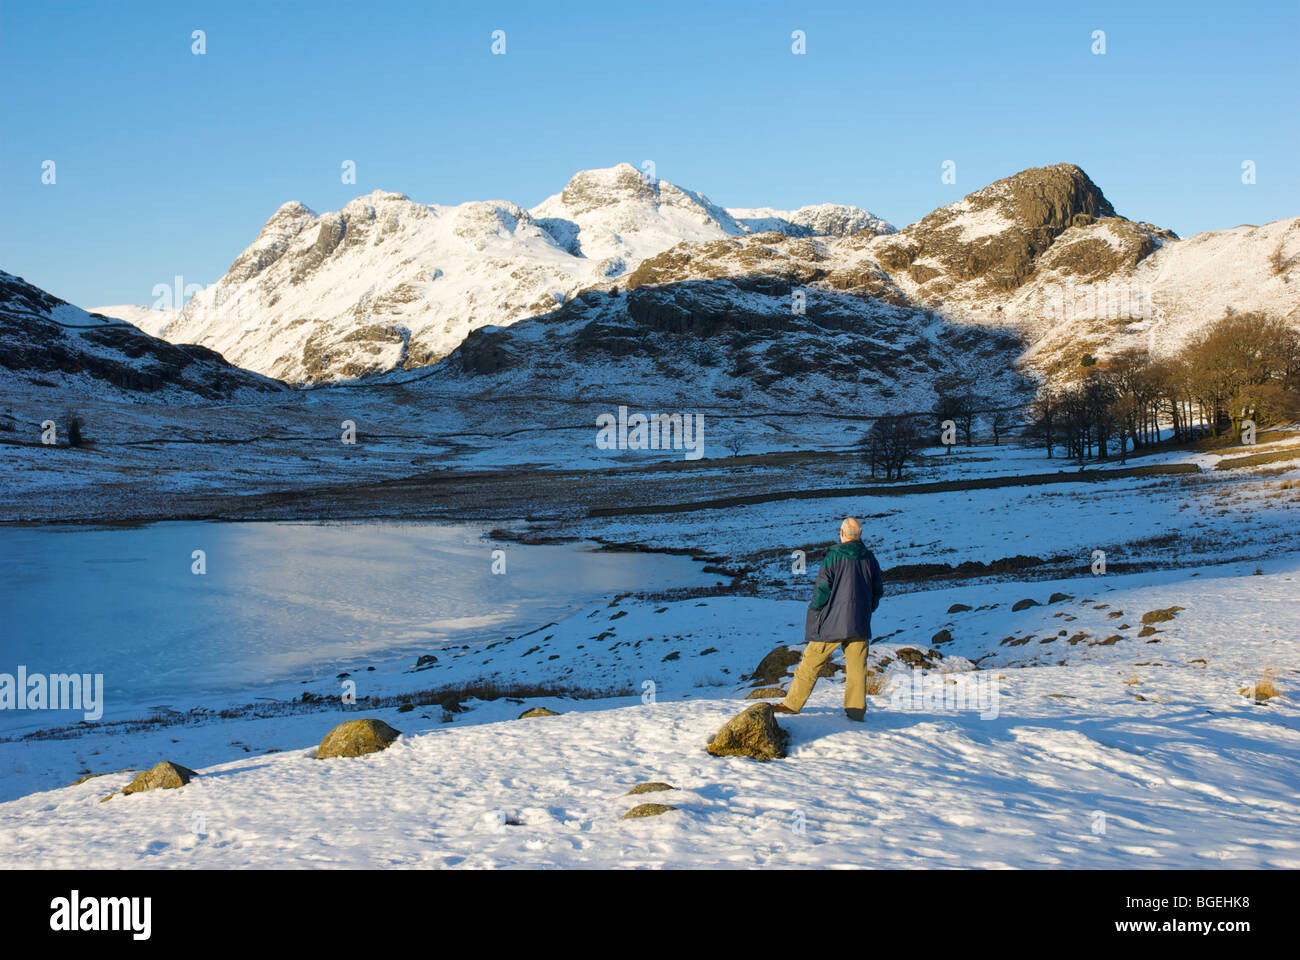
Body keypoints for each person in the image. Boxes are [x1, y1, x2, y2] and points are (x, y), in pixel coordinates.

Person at [774, 517, 884, 722]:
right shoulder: (870, 557)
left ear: (842, 534)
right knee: (857, 668)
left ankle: (792, 704)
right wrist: (868, 609)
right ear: (859, 535)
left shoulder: (833, 557)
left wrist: (815, 610)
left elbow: (823, 590)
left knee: (810, 662)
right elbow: (878, 590)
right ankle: (856, 712)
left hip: (831, 622)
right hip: (859, 621)